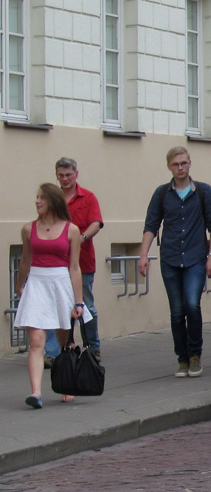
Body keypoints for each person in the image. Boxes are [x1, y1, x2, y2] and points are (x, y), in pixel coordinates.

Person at [140, 147, 211, 378]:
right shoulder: (162, 193)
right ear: (169, 167)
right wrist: (143, 255)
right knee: (177, 312)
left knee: (192, 305)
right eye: (176, 164)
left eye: (184, 163)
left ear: (190, 164)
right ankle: (182, 358)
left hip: (196, 258)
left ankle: (195, 354)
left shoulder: (203, 191)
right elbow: (151, 226)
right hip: (171, 259)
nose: (180, 167)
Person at [14, 183, 90, 408]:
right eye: (37, 197)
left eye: (42, 198)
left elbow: (74, 267)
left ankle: (67, 385)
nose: (37, 201)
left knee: (64, 341)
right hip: (36, 283)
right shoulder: (28, 229)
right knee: (36, 341)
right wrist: (20, 286)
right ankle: (36, 392)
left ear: (53, 202)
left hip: (60, 284)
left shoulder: (71, 230)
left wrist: (79, 301)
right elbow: (25, 260)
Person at [43, 158, 104, 367]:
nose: (65, 179)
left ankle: (93, 348)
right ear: (56, 176)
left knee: (86, 306)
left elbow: (96, 223)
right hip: (56, 262)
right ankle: (53, 352)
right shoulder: (52, 199)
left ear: (76, 174)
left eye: (68, 174)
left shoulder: (88, 197)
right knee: (54, 307)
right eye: (61, 175)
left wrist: (82, 238)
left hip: (82, 262)